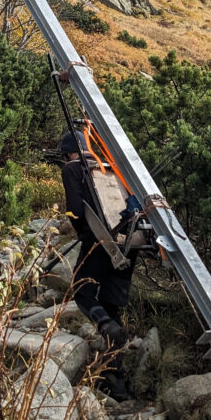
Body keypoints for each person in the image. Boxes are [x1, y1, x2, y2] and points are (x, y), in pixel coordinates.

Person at [60, 130, 140, 401]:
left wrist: (82, 232)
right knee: (111, 302)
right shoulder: (112, 166)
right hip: (131, 241)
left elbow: (76, 209)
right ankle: (115, 383)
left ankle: (104, 324)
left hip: (100, 239)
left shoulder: (73, 168)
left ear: (69, 152)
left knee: (81, 289)